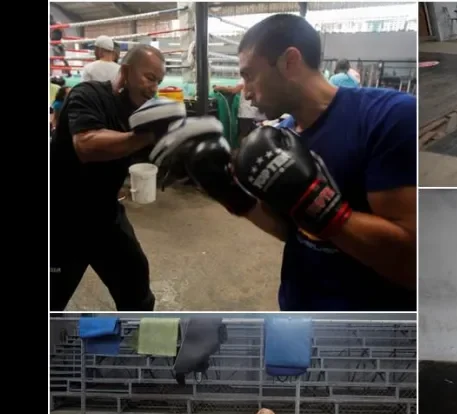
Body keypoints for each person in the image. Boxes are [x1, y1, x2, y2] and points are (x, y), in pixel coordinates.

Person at [156, 14, 417, 312]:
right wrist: (232, 195)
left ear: (289, 62)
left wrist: (315, 203)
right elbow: (293, 233)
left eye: (250, 75)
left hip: (369, 326)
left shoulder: (389, 118)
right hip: (298, 307)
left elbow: (412, 265)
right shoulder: (281, 136)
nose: (247, 91)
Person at [50, 45, 169, 311]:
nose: (154, 87)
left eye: (158, 82)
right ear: (125, 72)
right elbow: (87, 145)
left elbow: (155, 154)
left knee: (137, 289)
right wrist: (147, 135)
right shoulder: (88, 94)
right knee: (52, 298)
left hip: (104, 214)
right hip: (61, 218)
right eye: (149, 78)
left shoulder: (141, 112)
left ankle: (141, 346)